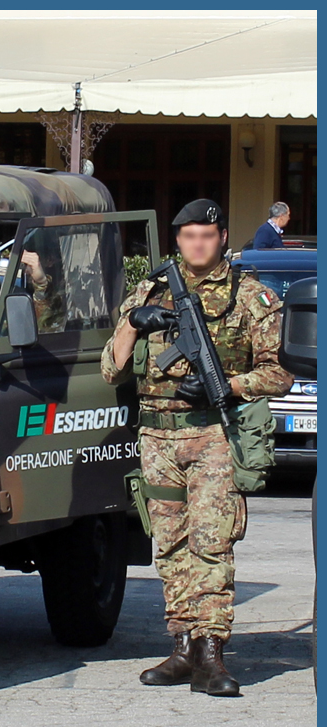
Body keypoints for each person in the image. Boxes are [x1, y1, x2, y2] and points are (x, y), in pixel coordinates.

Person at [101, 198, 293, 697]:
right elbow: (111, 368)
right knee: (169, 545)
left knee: (212, 543)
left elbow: (279, 373)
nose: (198, 243)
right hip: (157, 437)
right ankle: (182, 646)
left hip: (212, 436)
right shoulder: (151, 290)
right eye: (188, 235)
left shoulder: (250, 296)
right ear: (177, 241)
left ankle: (212, 653)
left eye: (206, 235)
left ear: (222, 237)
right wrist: (135, 322)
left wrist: (226, 386)